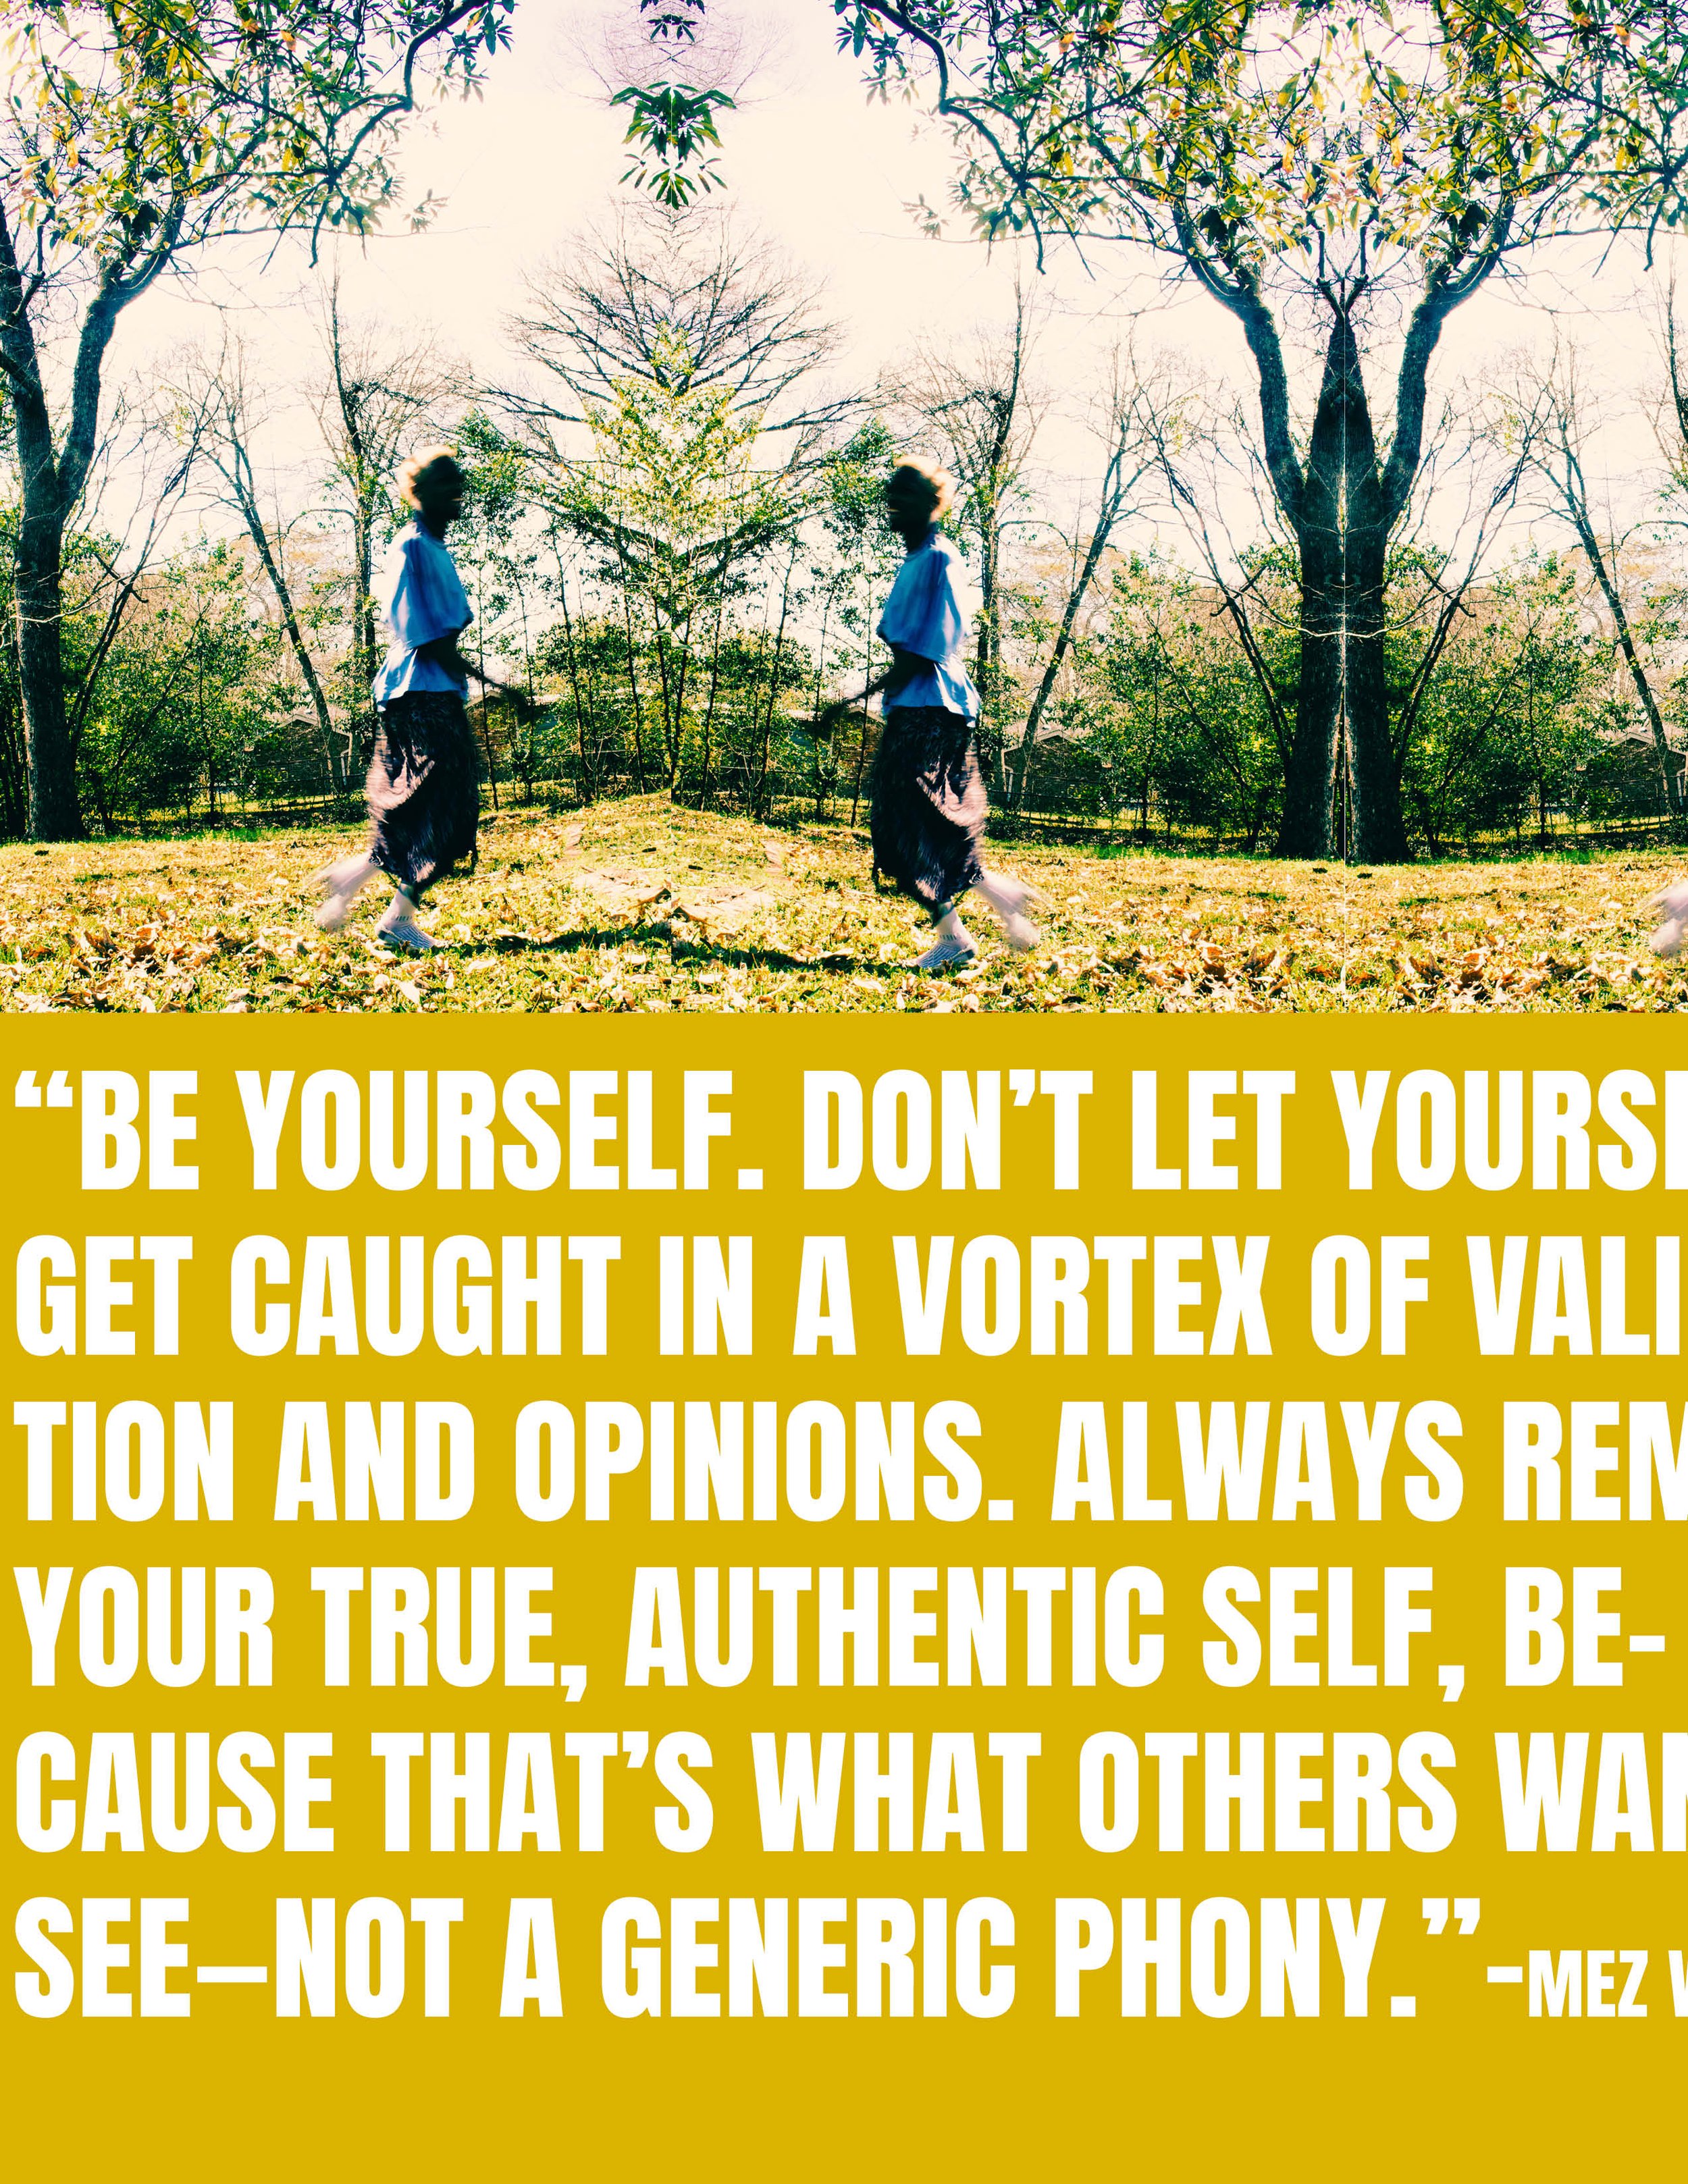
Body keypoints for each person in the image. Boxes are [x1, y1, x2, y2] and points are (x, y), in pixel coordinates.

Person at [824, 458, 1042, 970]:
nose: (893, 505)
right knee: (929, 822)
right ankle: (997, 900)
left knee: (902, 828)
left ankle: (957, 937)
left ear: (931, 502)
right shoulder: (923, 558)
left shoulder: (937, 560)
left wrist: (850, 702)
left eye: (904, 495)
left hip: (930, 709)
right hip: (927, 708)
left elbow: (922, 655)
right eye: (891, 495)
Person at [313, 447, 519, 951]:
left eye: (459, 485)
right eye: (447, 485)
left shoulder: (429, 546)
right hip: (421, 695)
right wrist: (498, 686)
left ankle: (357, 882)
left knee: (419, 805)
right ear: (420, 491)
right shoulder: (414, 548)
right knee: (448, 811)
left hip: (424, 693)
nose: (458, 494)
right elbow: (428, 640)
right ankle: (394, 917)